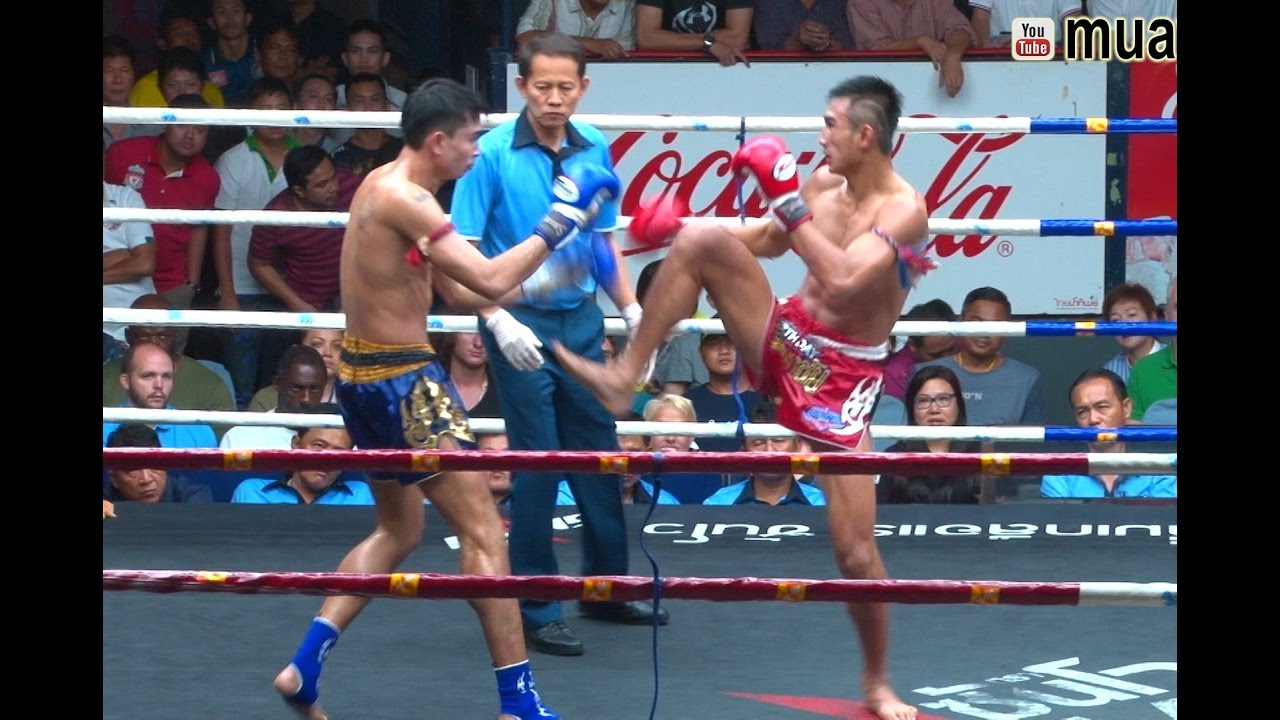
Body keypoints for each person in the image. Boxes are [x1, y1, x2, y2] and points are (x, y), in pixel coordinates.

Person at [554, 75, 929, 720]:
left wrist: (785, 199)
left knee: (855, 551)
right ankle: (627, 377)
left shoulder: (904, 210)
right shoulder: (818, 186)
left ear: (866, 135)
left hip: (845, 378)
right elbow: (768, 240)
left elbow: (840, 280)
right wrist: (677, 231)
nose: (820, 135)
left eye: (832, 124)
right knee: (702, 243)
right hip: (785, 339)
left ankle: (876, 681)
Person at [272, 77, 621, 720]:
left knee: (399, 531)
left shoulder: (393, 190)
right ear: (437, 141)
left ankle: (306, 665)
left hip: (363, 380)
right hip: (407, 384)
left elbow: (461, 293)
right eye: (469, 140)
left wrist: (539, 289)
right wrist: (560, 218)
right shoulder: (408, 199)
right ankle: (519, 702)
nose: (476, 152)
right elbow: (486, 272)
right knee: (486, 533)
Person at [450, 32, 664, 660]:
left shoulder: (594, 143)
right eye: (541, 87)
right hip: (517, 321)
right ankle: (537, 606)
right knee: (538, 462)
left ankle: (607, 588)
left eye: (564, 87)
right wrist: (495, 318)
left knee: (599, 453)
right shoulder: (488, 154)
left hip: (579, 320)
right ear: (521, 87)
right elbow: (459, 252)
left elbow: (601, 240)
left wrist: (629, 308)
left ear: (583, 88)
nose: (552, 99)